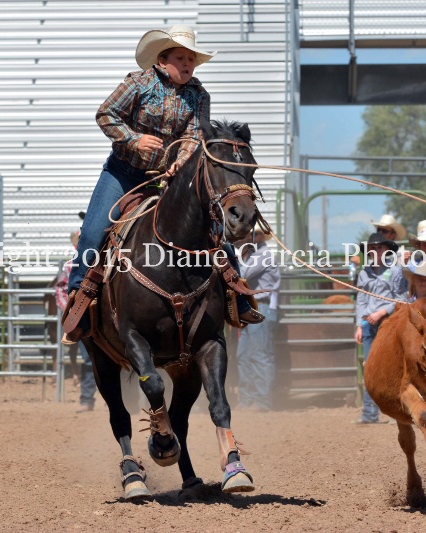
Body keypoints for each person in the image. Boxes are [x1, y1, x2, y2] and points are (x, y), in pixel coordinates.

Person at [64, 24, 261, 342]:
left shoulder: (198, 94)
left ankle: (235, 292)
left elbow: (195, 136)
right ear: (161, 59)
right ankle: (80, 299)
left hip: (169, 177)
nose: (187, 64)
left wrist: (178, 166)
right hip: (124, 173)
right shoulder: (138, 83)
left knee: (212, 227)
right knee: (92, 231)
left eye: (191, 59)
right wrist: (134, 139)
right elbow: (106, 114)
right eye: (181, 57)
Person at [354, 232, 403, 424]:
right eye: (373, 248)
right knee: (370, 368)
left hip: (388, 323)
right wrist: (359, 324)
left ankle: (395, 413)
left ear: (387, 250)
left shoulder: (396, 271)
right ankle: (369, 413)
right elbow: (361, 300)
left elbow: (400, 298)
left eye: (380, 247)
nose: (376, 251)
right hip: (368, 325)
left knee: (392, 367)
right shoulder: (364, 273)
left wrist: (381, 312)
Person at [234, 225, 281, 412]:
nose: (250, 236)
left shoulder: (264, 255)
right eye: (248, 233)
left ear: (261, 237)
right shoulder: (252, 254)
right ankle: (248, 399)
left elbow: (242, 275)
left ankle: (262, 400)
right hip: (250, 307)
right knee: (244, 355)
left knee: (259, 355)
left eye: (255, 233)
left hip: (260, 307)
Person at [54, 230, 97, 411]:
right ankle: (87, 398)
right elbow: (61, 289)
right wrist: (70, 311)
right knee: (89, 359)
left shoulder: (103, 262)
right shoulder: (72, 265)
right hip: (83, 317)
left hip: (101, 316)